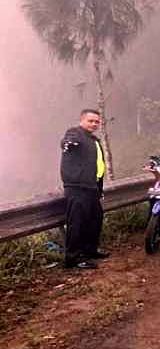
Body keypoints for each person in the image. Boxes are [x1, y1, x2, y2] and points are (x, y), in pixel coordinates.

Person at [60, 109, 109, 269]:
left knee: (95, 219)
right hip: (77, 187)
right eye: (90, 121)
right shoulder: (75, 133)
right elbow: (67, 140)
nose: (94, 124)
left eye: (96, 122)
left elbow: (98, 166)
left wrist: (99, 188)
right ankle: (73, 258)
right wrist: (68, 143)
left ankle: (90, 251)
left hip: (92, 187)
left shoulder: (93, 140)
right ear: (82, 120)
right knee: (77, 222)